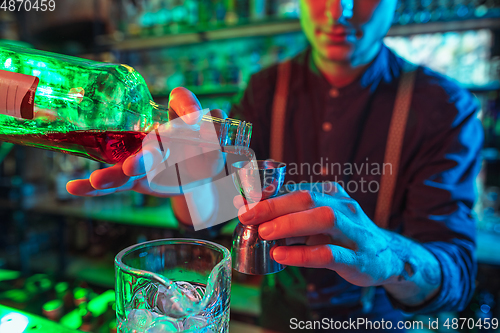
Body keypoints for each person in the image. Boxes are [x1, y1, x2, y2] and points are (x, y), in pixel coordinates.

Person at [67, 0, 483, 331]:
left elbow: (457, 279)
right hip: (280, 319)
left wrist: (389, 256)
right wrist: (187, 187)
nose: (339, 10)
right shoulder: (265, 89)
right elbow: (215, 204)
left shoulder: (444, 107)